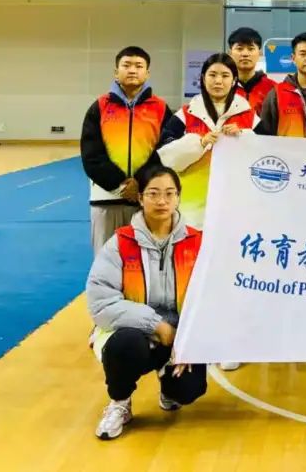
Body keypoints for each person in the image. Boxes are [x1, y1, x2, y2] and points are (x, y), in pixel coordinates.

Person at [86, 165, 207, 440]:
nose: (162, 201)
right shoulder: (120, 243)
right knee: (125, 346)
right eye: (153, 193)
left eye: (169, 193)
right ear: (140, 198)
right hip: (133, 332)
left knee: (188, 389)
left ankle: (169, 385)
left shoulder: (198, 242)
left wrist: (188, 338)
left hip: (179, 337)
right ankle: (120, 403)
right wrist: (157, 326)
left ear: (178, 197)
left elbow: (211, 298)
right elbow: (101, 302)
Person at [81, 46, 173, 254]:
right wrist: (120, 184)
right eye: (127, 65)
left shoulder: (160, 108)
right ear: (116, 72)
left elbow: (165, 151)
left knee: (145, 260)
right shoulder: (99, 107)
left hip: (146, 198)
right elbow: (91, 154)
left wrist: (141, 183)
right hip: (106, 199)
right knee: (106, 259)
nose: (132, 70)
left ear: (147, 73)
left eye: (138, 66)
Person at [158, 54, 258, 230]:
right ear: (203, 79)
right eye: (212, 75)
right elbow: (165, 157)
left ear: (234, 80)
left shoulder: (249, 116)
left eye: (225, 75)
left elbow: (265, 154)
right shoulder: (186, 114)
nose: (218, 81)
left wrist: (244, 136)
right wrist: (199, 143)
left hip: (236, 208)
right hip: (191, 209)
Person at [227, 27, 276, 116]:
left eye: (251, 49)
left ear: (260, 53)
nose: (245, 54)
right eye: (239, 49)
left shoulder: (273, 89)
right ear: (230, 53)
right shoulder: (222, 87)